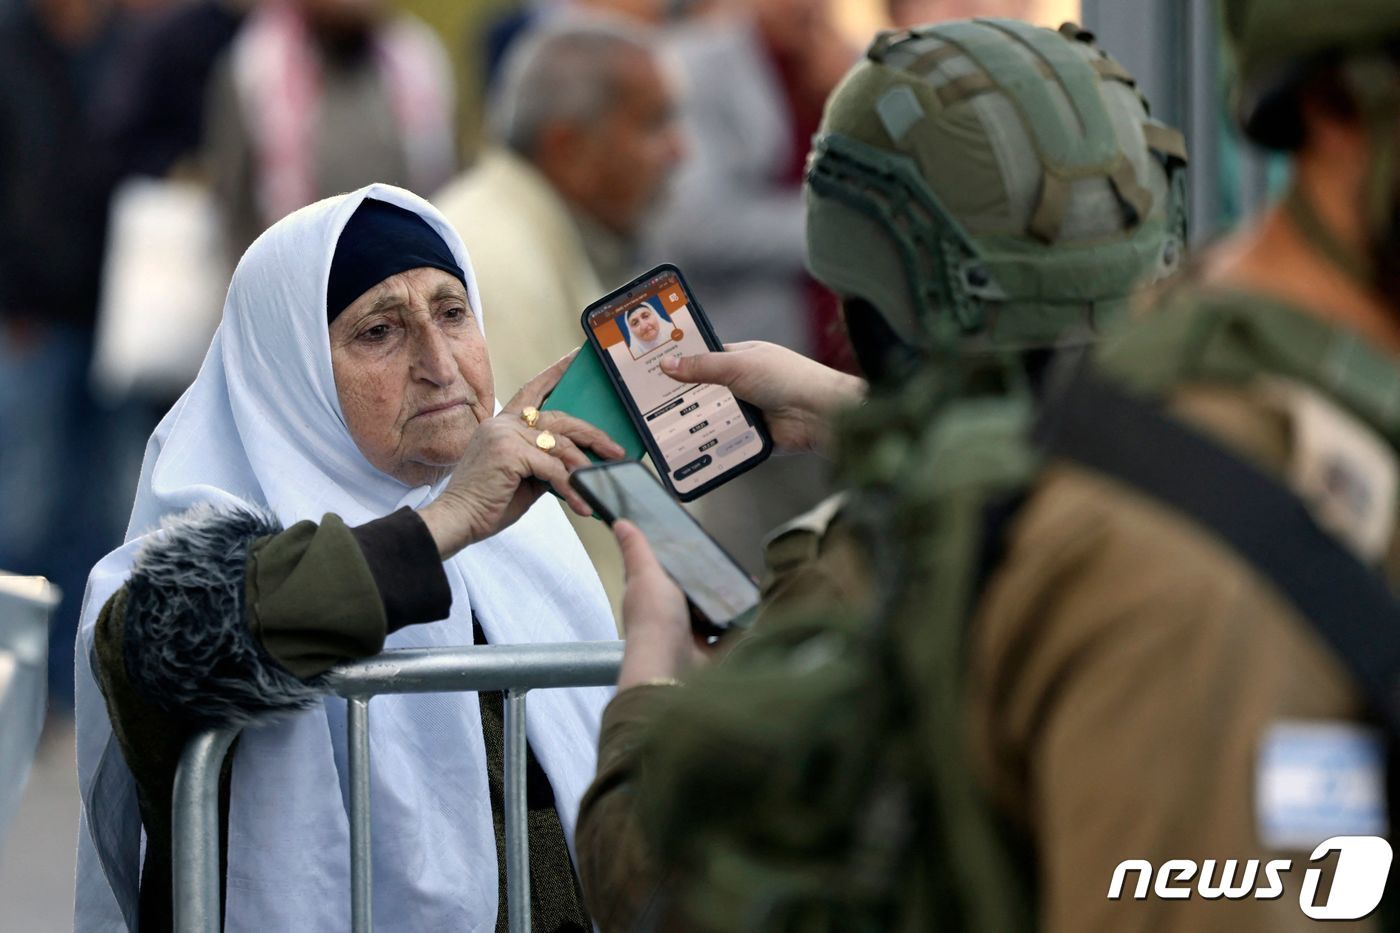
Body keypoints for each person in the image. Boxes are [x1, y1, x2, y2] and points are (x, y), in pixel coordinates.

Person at [572, 18, 1204, 932]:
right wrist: (858, 409)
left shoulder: (883, 583)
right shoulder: (1259, 476)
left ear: (864, 299)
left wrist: (649, 685)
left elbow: (657, 888)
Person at [74, 186, 625, 933]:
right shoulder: (210, 525)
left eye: (453, 312)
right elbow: (166, 643)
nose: (439, 364)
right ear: (290, 370)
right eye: (379, 332)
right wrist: (443, 522)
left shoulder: (529, 534)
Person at [436, 16, 684, 622]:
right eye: (654, 124)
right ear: (568, 147)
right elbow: (561, 496)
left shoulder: (535, 230)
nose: (681, 151)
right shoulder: (494, 255)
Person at [204, 0, 456, 263]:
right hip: (295, 276)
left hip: (401, 269)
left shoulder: (416, 62)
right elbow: (232, 214)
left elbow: (445, 188)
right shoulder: (255, 70)